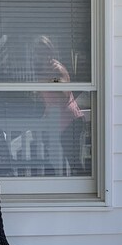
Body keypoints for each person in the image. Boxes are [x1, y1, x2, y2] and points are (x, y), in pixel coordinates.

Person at [31, 36, 86, 176]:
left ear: (50, 52)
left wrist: (50, 80)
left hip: (70, 122)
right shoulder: (42, 71)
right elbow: (49, 102)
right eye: (37, 52)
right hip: (56, 126)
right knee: (55, 163)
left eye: (43, 51)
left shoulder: (57, 69)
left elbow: (64, 93)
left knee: (74, 165)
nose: (40, 55)